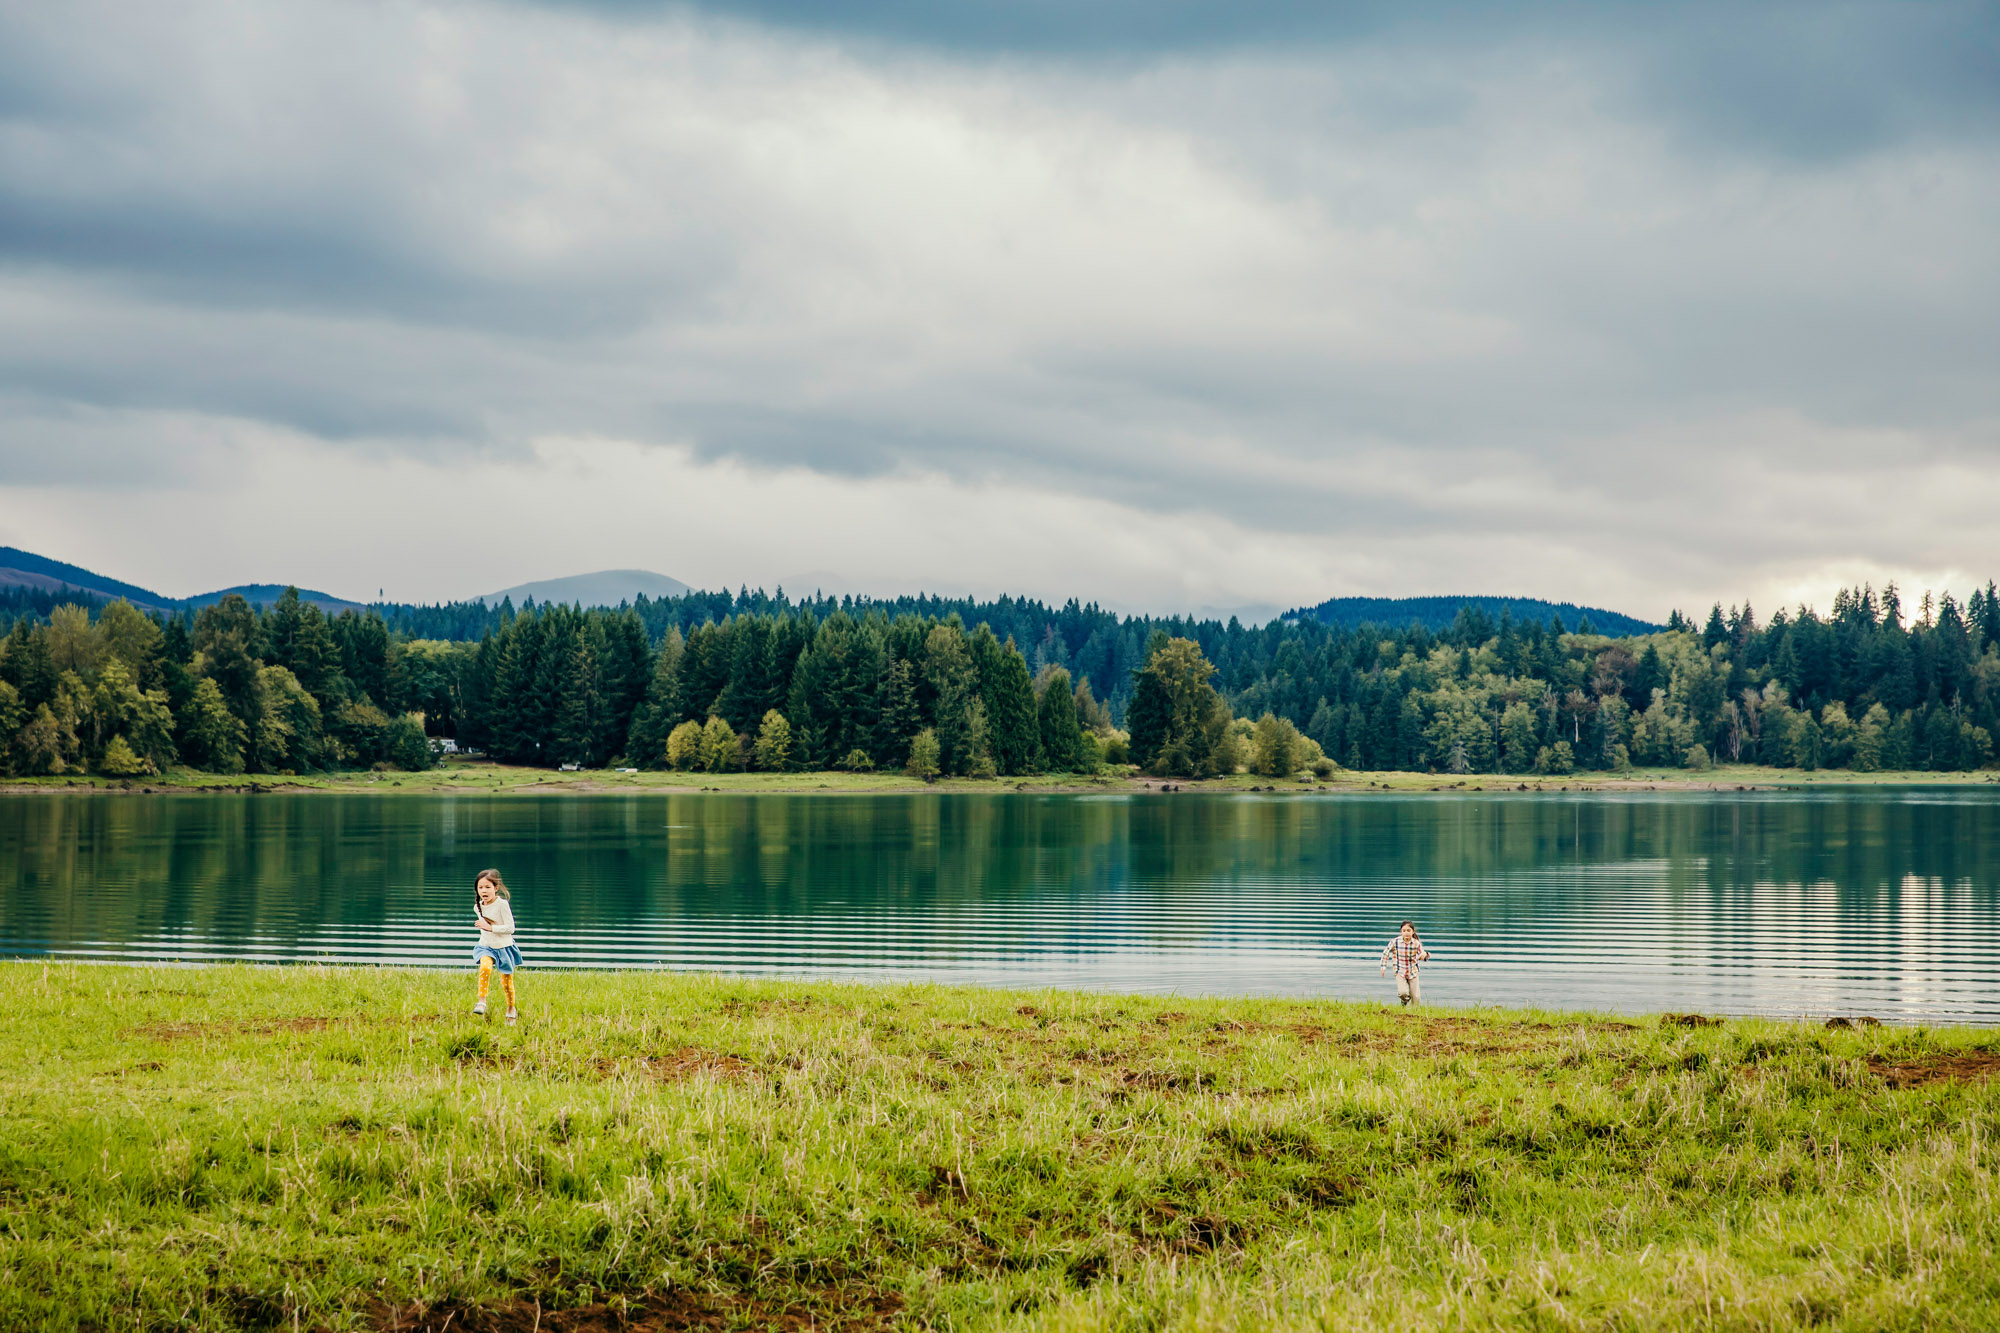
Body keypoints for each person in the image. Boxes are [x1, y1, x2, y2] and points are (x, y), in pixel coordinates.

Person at [472, 868, 522, 1023]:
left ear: (496, 888)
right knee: (485, 967)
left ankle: (511, 1008)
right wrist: (487, 931)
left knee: (507, 983)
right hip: (486, 946)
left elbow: (510, 928)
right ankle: (482, 1001)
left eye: (488, 887)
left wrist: (490, 927)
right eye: (480, 887)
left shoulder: (502, 905)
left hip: (503, 948)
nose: (484, 891)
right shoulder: (478, 906)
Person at [1379, 920, 1431, 1006]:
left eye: (1408, 931)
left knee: (1416, 998)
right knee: (1403, 993)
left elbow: (1421, 954)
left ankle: (1413, 1015)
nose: (1406, 933)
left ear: (1413, 932)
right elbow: (1386, 953)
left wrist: (1425, 955)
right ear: (1401, 932)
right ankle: (1404, 1001)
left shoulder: (1416, 943)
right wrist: (1383, 967)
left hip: (1413, 971)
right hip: (1400, 971)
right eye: (1404, 931)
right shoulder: (1395, 942)